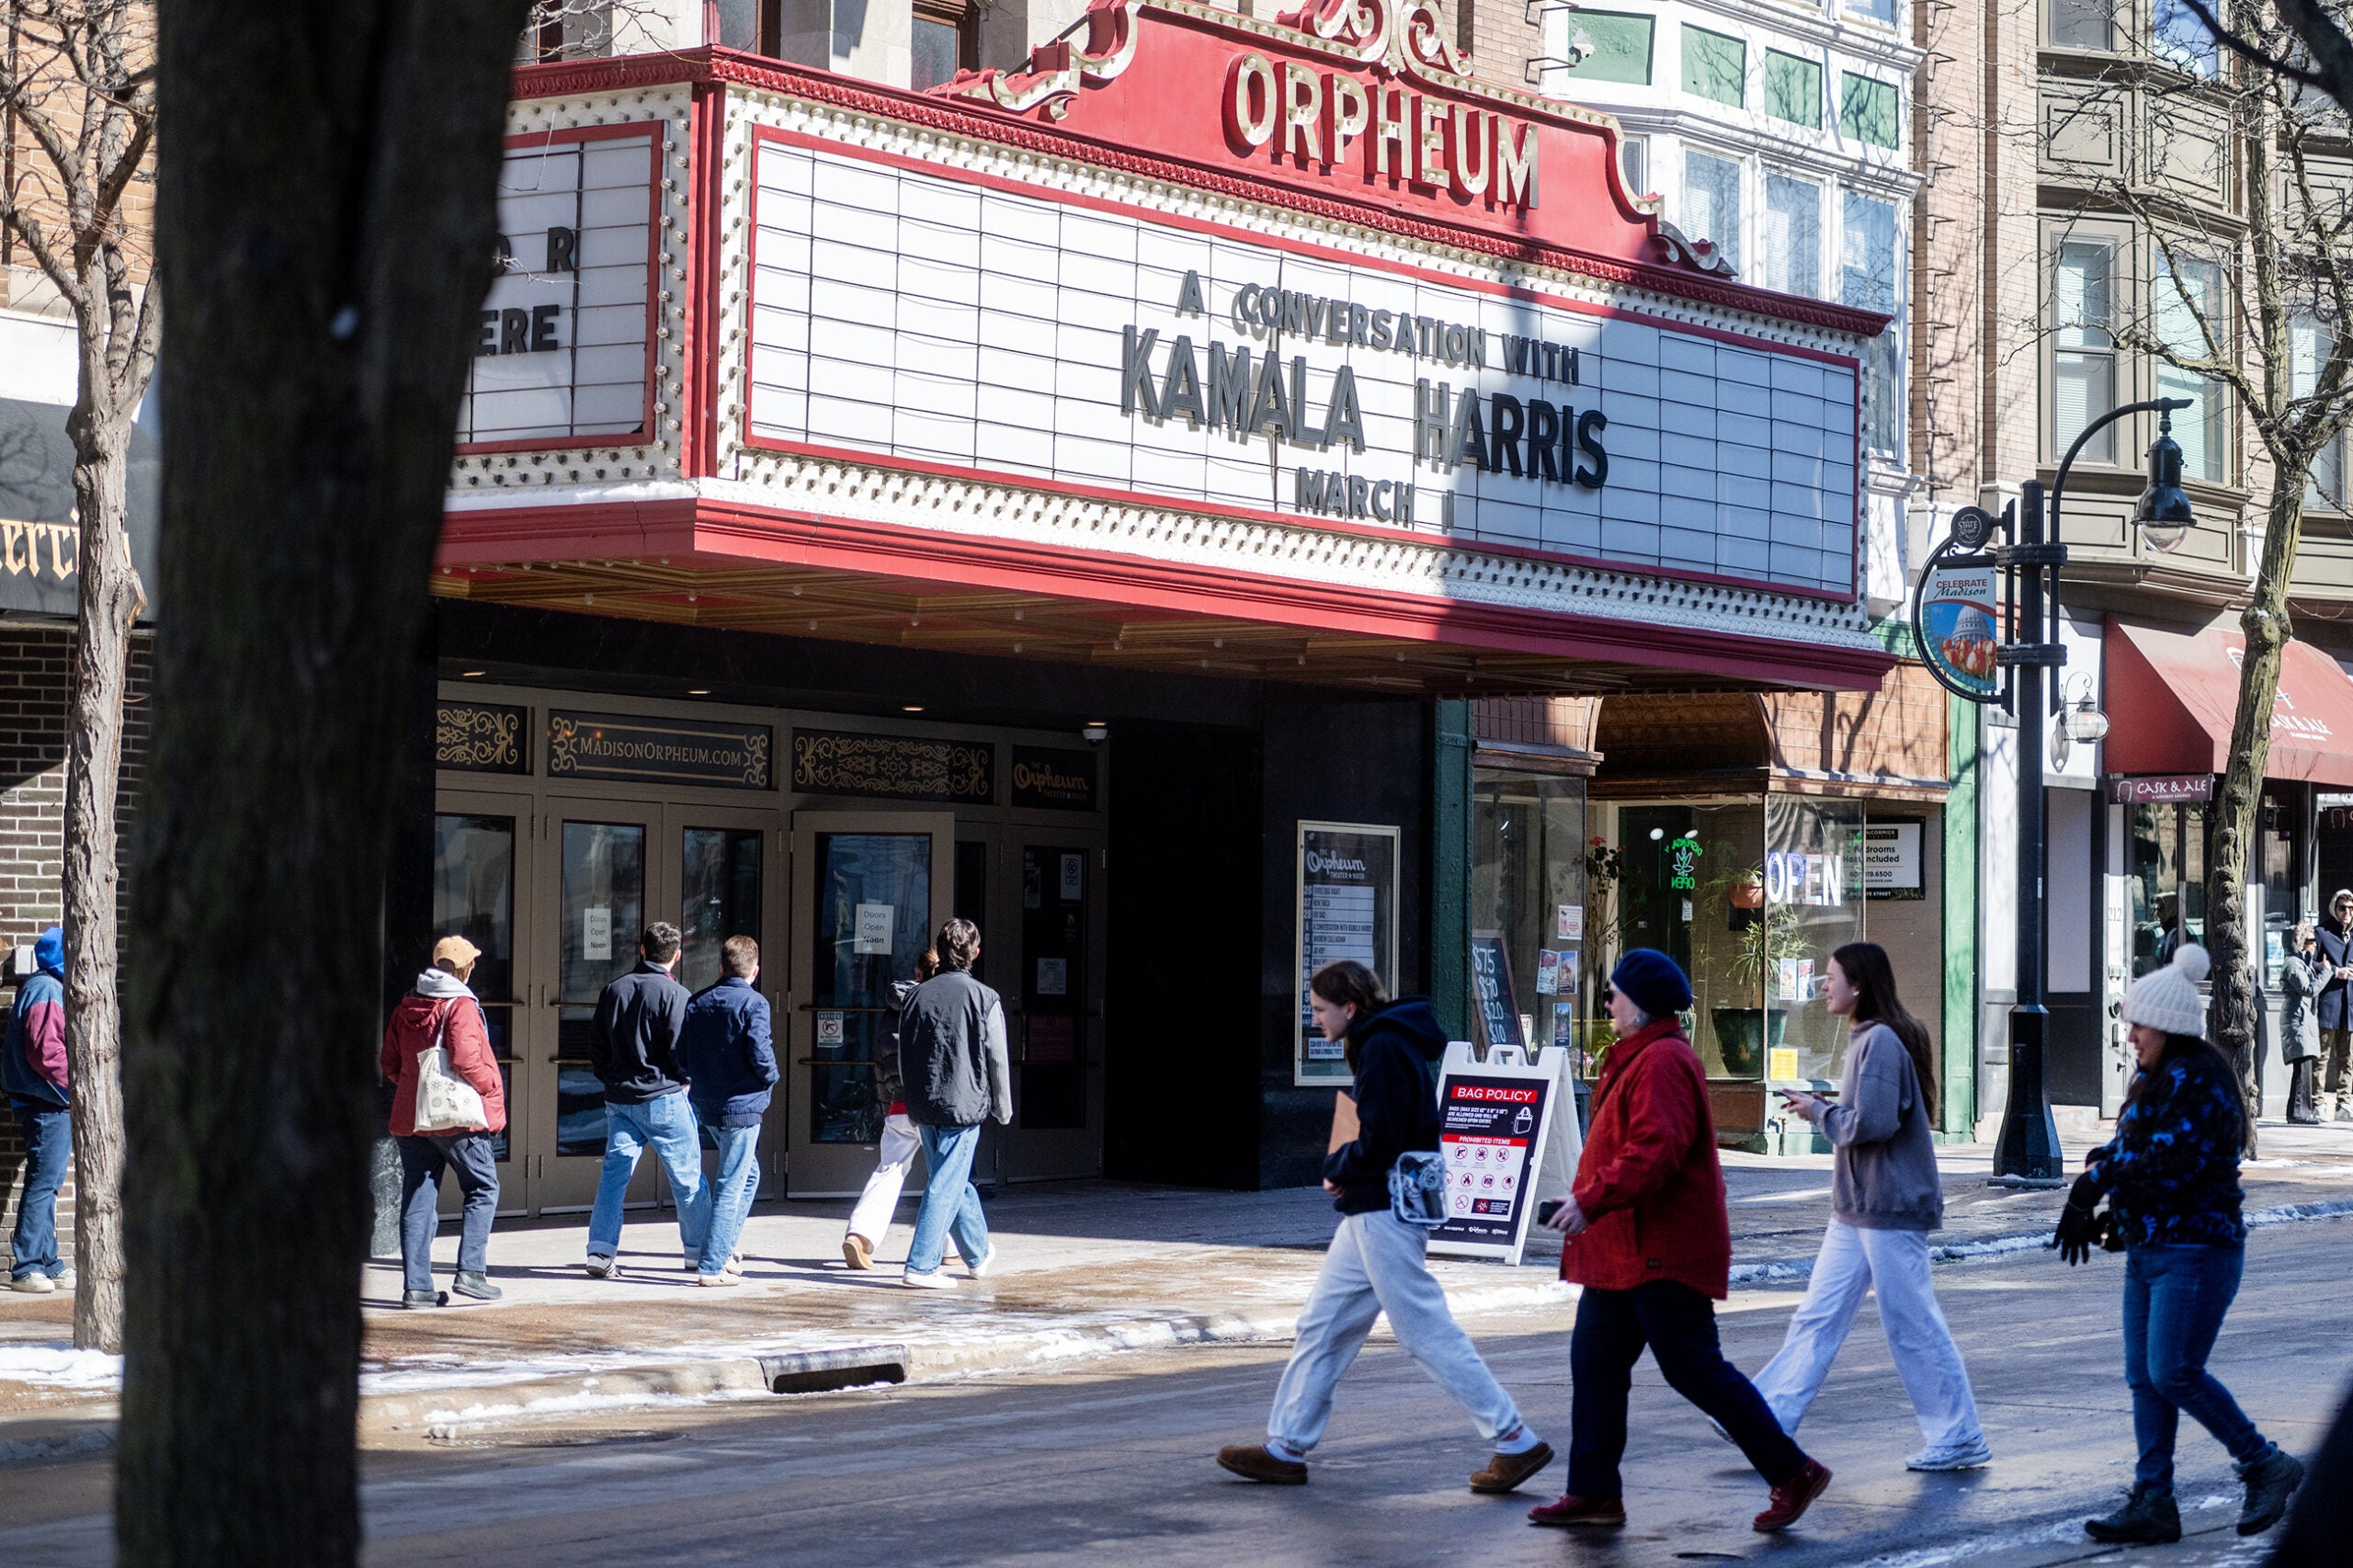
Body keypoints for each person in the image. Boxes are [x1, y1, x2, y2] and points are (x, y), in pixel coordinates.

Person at [1214, 960, 1553, 1494]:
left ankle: (1514, 1438)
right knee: (1323, 1324)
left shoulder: (1381, 1048)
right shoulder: (1387, 1041)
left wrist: (1336, 1166)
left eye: (1321, 1009)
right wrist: (1348, 1165)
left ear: (1349, 1007)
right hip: (1380, 1207)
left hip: (1385, 1208)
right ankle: (1285, 1447)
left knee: (1422, 1330)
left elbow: (1383, 1139)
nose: (1315, 1018)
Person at [1529, 949, 1831, 1534]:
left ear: (1640, 1005)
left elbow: (1654, 1149)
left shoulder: (1662, 1060)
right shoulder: (1642, 1054)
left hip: (1659, 1247)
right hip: (1623, 1249)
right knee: (1594, 1364)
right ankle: (1592, 1492)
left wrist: (1589, 1201)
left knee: (1693, 1369)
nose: (1609, 1002)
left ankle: (1792, 1471)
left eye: (1615, 993)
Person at [2057, 943, 2304, 1545]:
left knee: (2174, 1371)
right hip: (2154, 1250)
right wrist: (2114, 1214)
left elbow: (2170, 1159)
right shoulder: (2155, 1076)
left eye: (2138, 1024)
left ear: (2165, 1024)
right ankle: (2154, 1500)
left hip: (2197, 1250)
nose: (2131, 1034)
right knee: (2145, 1376)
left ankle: (2265, 1463)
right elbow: (2136, 1154)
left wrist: (2094, 1185)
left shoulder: (2201, 1078)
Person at [1751, 942, 1989, 1471]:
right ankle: (1763, 1419)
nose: (1824, 986)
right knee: (1818, 1316)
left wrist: (1820, 1113)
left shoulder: (1878, 1041)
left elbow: (1874, 1123)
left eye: (1832, 977)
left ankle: (1959, 1434)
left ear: (1858, 985)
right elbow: (1868, 1116)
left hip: (1888, 1204)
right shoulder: (1867, 1037)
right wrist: (1826, 1109)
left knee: (1912, 1322)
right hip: (1858, 1206)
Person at [381, 936, 507, 1308]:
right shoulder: (461, 1004)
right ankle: (471, 1273)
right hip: (457, 1117)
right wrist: (490, 1085)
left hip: (413, 1118)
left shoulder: (407, 1003)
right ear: (466, 969)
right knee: (483, 1188)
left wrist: (414, 1088)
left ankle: (416, 1287)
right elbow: (467, 1059)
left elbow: (390, 1064)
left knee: (418, 1197)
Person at [584, 922, 711, 1279]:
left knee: (614, 1177)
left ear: (642, 949)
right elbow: (680, 1050)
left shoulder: (614, 989)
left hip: (620, 1099)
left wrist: (610, 1079)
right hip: (665, 1097)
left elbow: (595, 1046)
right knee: (687, 1178)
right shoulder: (677, 995)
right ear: (677, 956)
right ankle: (699, 1252)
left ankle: (600, 1251)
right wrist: (684, 1081)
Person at [895, 919, 1009, 1288]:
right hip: (964, 1102)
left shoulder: (915, 995)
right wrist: (1003, 1106)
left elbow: (903, 1052)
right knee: (947, 1181)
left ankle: (977, 1254)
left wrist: (911, 1095)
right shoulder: (984, 998)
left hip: (924, 1102)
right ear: (975, 954)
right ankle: (922, 1265)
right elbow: (997, 1059)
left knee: (951, 1179)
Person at [679, 935, 779, 1287]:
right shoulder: (755, 1004)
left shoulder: (697, 1002)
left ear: (721, 967)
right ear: (755, 970)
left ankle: (723, 1249)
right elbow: (760, 1053)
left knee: (747, 1175)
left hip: (709, 1103)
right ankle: (712, 1265)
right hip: (742, 1106)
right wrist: (771, 1078)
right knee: (732, 1183)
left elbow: (683, 1053)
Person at [842, 946, 937, 1270]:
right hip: (932, 1105)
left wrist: (888, 1106)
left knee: (889, 1170)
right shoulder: (938, 1007)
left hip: (898, 1103)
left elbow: (881, 1066)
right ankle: (957, 1245)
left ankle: (860, 1234)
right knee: (948, 1175)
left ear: (917, 973)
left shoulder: (892, 1012)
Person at [4, 926, 69, 1295]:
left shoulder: (42, 985)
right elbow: (47, 1054)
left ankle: (48, 1261)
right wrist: (78, 1084)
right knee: (44, 1184)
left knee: (48, 1183)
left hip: (42, 1099)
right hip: (47, 1101)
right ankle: (28, 1266)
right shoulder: (48, 989)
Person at [2314, 891, 2353, 1121]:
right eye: (2342, 908)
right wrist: (2333, 971)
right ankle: (2317, 1102)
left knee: (2347, 1059)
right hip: (2329, 1004)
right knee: (2322, 1056)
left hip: (2350, 1007)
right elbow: (2310, 963)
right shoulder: (2322, 932)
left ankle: (2344, 1103)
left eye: (2351, 908)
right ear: (2334, 908)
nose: (2347, 912)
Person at [2281, 923, 2324, 1125]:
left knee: (2305, 1066)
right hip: (2296, 1019)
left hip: (2302, 1018)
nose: (2314, 945)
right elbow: (2308, 989)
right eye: (2310, 940)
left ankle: (2299, 1111)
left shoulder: (2301, 963)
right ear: (2300, 942)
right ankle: (2299, 1112)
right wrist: (2327, 972)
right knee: (2302, 1066)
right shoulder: (2292, 964)